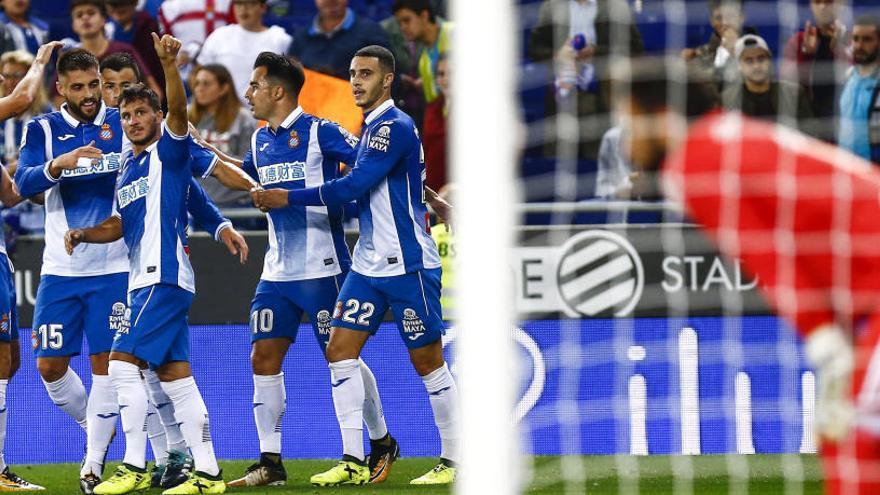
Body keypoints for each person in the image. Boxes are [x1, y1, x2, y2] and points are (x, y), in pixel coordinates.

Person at [616, 55, 880, 495]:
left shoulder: (693, 160)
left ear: (661, 116)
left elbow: (772, 259)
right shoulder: (729, 135)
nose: (625, 140)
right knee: (847, 449)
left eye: (628, 122)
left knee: (854, 450)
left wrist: (827, 347)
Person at [190, 52, 398, 488]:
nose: (248, 93)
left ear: (277, 90)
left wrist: (425, 196)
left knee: (341, 357)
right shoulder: (259, 140)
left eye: (254, 85)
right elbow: (244, 179)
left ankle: (371, 445)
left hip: (325, 267)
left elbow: (373, 167)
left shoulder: (323, 132)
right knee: (262, 357)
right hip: (277, 272)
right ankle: (270, 462)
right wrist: (201, 148)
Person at [254, 45, 458, 486]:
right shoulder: (368, 129)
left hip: (406, 263)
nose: (356, 81)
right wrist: (436, 198)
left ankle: (456, 456)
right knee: (339, 350)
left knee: (428, 362)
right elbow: (402, 178)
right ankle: (352, 457)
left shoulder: (394, 126)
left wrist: (288, 197)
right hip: (367, 266)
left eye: (366, 73)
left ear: (387, 80)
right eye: (352, 73)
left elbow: (355, 184)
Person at [65, 33, 254, 495]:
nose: (132, 120)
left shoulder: (169, 152)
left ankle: (131, 465)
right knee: (174, 377)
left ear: (158, 117)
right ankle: (208, 473)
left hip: (162, 276)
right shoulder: (128, 167)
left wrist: (169, 66)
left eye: (141, 113)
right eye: (126, 114)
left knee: (122, 364)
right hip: (144, 280)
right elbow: (119, 223)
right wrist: (84, 233)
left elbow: (181, 117)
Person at [0, 39, 61, 492]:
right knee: (2, 359)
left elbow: (10, 194)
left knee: (10, 358)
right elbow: (23, 99)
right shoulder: (16, 95)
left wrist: (50, 170)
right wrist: (41, 60)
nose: (2, 84)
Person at [527, 0, 644, 159]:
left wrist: (595, 51)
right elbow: (535, 49)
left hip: (601, 94)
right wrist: (558, 55)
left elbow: (634, 49)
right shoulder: (551, 5)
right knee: (558, 160)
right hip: (562, 94)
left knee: (599, 160)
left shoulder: (616, 6)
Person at [61, 0, 162, 106]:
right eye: (79, 15)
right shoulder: (69, 60)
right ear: (73, 25)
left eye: (91, 13)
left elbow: (155, 92)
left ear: (104, 19)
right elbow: (60, 101)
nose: (85, 18)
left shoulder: (125, 50)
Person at [195, 0, 291, 105]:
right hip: (221, 112)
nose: (243, 9)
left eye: (250, 3)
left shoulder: (280, 39)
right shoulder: (219, 35)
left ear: (263, 7)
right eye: (238, 4)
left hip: (263, 114)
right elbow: (199, 74)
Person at [188, 64, 256, 206]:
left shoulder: (243, 119)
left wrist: (207, 151)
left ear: (224, 88)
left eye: (206, 84)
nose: (199, 89)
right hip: (198, 203)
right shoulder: (187, 117)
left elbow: (248, 164)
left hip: (237, 203)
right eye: (197, 83)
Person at [782, 0, 849, 142]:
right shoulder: (797, 42)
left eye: (829, 1)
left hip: (844, 127)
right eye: (817, 1)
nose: (823, 7)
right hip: (809, 129)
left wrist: (839, 50)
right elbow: (788, 88)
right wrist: (807, 54)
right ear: (811, 6)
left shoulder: (856, 39)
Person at [722, 34, 815, 136]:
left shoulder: (794, 93)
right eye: (749, 61)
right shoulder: (727, 99)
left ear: (770, 60)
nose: (756, 66)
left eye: (761, 59)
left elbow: (810, 136)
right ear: (739, 66)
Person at [288, 0, 389, 80]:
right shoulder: (301, 37)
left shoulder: (370, 31)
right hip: (313, 103)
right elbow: (290, 80)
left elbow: (388, 75)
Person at [392, 0, 451, 107]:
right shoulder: (423, 63)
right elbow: (435, 108)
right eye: (399, 23)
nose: (403, 28)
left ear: (424, 16)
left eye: (407, 20)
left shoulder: (455, 33)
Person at [839, 15, 880, 163]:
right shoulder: (846, 78)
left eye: (867, 39)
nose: (859, 45)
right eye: (855, 39)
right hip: (846, 172)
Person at [157, 0, 234, 76]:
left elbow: (237, 35)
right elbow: (166, 47)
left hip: (223, 70)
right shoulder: (168, 7)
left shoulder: (227, 3)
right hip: (184, 74)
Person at [105, 0, 165, 91]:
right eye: (112, 5)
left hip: (152, 87)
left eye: (121, 4)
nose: (117, 8)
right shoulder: (108, 30)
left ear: (135, 3)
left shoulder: (149, 26)